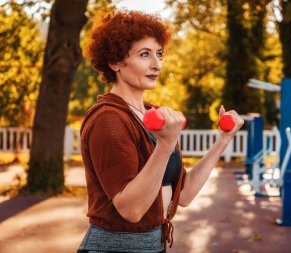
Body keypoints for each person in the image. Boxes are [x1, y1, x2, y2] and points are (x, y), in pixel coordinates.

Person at [77, 10, 244, 253]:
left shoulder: (150, 115)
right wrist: (164, 145)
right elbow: (131, 210)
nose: (157, 64)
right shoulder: (107, 119)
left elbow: (184, 195)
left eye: (159, 54)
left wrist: (223, 140)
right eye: (145, 54)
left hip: (155, 246)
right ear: (115, 62)